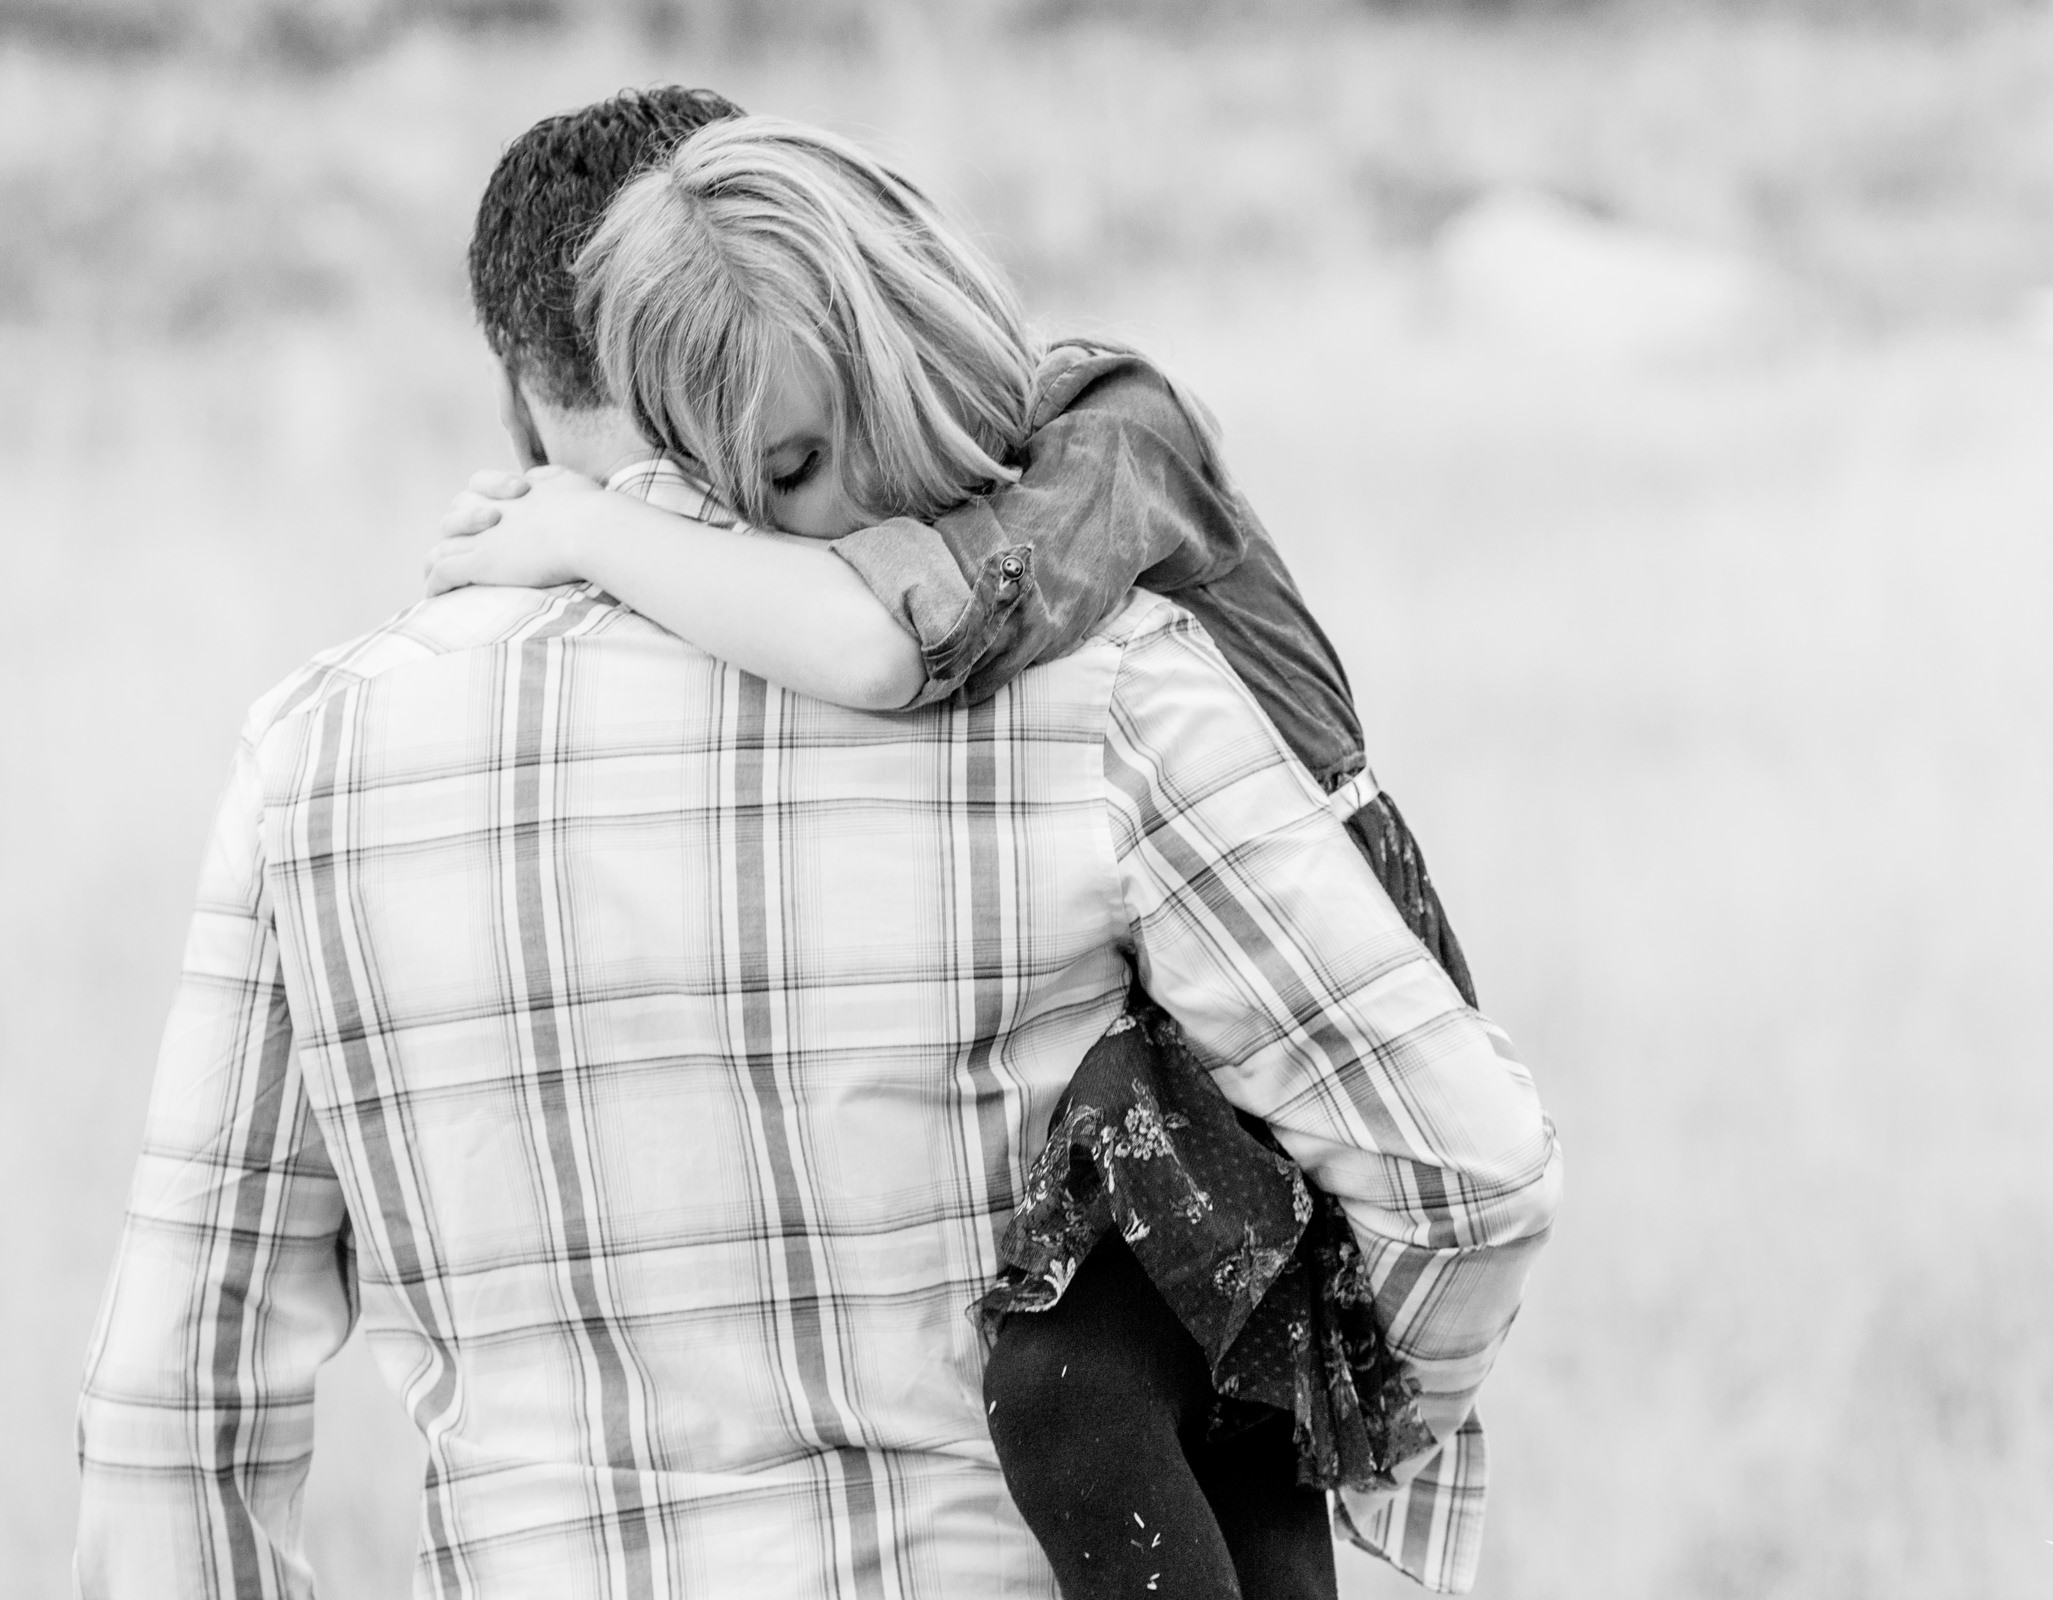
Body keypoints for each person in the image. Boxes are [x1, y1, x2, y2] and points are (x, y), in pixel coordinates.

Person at [72, 88, 1563, 1600]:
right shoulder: (1101, 690)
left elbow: (172, 1409)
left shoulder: (315, 759)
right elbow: (1467, 1179)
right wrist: (1324, 1416)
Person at [425, 115, 1487, 1599]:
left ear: (909, 321)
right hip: (1161, 1034)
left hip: (1307, 979)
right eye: (760, 498)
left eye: (798, 463)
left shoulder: (1110, 435)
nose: (823, 524)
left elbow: (889, 641)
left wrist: (595, 538)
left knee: (1078, 1393)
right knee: (1161, 1421)